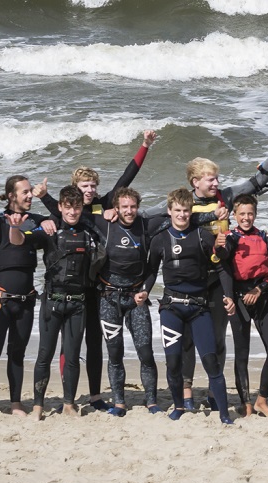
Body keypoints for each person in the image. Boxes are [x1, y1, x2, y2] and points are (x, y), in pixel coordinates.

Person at [39, 130, 157, 412]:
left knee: (95, 343)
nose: (89, 190)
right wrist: (43, 208)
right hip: (76, 289)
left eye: (92, 185)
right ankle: (69, 396)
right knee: (70, 345)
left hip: (101, 289)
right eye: (83, 185)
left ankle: (94, 396)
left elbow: (127, 179)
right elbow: (51, 217)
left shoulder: (106, 207)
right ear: (73, 189)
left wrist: (144, 146)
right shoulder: (68, 212)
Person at [176, 129, 268, 411]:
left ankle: (215, 392)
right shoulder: (185, 206)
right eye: (211, 178)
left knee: (216, 338)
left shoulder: (226, 196)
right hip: (191, 279)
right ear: (195, 182)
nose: (217, 182)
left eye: (216, 178)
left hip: (219, 280)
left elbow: (258, 181)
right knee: (189, 339)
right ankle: (187, 390)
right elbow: (159, 217)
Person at [10, 185, 104, 419]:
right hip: (52, 302)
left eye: (77, 207)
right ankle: (38, 406)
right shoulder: (49, 230)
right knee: (45, 354)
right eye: (68, 207)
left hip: (78, 304)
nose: (73, 212)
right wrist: (14, 227)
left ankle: (69, 404)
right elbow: (20, 240)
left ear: (82, 208)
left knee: (72, 357)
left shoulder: (90, 231)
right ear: (60, 207)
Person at [0, 162, 52, 420]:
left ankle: (16, 404)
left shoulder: (35, 221)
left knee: (17, 353)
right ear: (12, 195)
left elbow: (59, 218)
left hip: (26, 299)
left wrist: (49, 216)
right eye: (24, 192)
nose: (29, 195)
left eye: (30, 191)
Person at [145, 188, 235, 423]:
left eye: (186, 211)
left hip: (198, 308)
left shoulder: (202, 237)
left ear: (191, 212)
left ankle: (224, 415)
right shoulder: (160, 240)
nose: (182, 215)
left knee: (210, 360)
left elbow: (220, 265)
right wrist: (143, 289)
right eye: (177, 211)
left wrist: (228, 295)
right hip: (171, 308)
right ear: (169, 211)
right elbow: (151, 271)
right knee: (174, 361)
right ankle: (179, 407)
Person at [92, 187, 158, 416]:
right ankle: (119, 402)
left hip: (136, 298)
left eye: (133, 207)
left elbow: (179, 215)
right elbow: (72, 214)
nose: (129, 211)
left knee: (146, 351)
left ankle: (151, 401)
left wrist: (146, 291)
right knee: (114, 353)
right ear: (116, 208)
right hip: (109, 298)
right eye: (124, 207)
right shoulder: (104, 224)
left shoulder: (145, 226)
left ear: (137, 207)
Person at [215, 193, 268, 417]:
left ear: (255, 213)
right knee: (242, 353)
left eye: (250, 213)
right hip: (239, 299)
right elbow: (221, 258)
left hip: (260, 296)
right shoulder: (230, 237)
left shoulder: (264, 237)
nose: (246, 217)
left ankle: (262, 398)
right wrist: (218, 244)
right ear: (234, 215)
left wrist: (260, 289)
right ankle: (246, 403)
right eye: (242, 214)